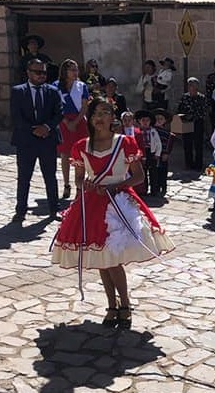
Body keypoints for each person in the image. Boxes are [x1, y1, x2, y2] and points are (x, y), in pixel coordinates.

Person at [50, 99, 174, 329]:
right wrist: (83, 183)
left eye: (105, 112)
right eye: (95, 113)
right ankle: (112, 305)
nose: (100, 118)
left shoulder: (124, 143)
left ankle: (124, 303)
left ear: (112, 117)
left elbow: (138, 176)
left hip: (118, 204)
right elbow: (78, 177)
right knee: (101, 260)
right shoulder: (82, 146)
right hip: (92, 205)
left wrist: (116, 186)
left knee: (113, 260)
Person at [10, 59, 63, 223]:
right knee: (24, 177)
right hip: (26, 140)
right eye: (38, 72)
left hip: (47, 139)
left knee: (50, 176)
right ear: (29, 72)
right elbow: (16, 117)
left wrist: (46, 127)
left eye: (44, 73)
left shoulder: (53, 91)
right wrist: (34, 130)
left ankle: (54, 209)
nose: (41, 76)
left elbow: (59, 113)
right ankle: (20, 210)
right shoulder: (18, 91)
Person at [55, 59, 91, 201]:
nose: (75, 72)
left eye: (76, 69)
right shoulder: (56, 86)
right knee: (65, 153)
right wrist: (66, 122)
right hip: (64, 121)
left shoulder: (81, 86)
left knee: (78, 155)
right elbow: (56, 106)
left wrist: (75, 122)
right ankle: (66, 184)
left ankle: (78, 186)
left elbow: (84, 106)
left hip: (79, 122)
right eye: (72, 70)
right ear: (65, 71)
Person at [176, 77, 209, 171]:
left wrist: (194, 116)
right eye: (190, 85)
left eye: (194, 85)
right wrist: (185, 117)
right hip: (187, 123)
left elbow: (204, 111)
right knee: (187, 144)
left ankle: (198, 164)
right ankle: (188, 164)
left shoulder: (202, 98)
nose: (192, 87)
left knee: (198, 144)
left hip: (198, 122)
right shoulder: (184, 97)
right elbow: (180, 110)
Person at [134, 110, 161, 197]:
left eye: (147, 121)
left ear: (150, 122)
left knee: (153, 172)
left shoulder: (153, 131)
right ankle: (143, 190)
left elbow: (158, 143)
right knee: (143, 172)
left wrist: (157, 153)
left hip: (151, 152)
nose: (145, 123)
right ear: (139, 121)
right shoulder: (137, 132)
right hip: (142, 152)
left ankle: (154, 190)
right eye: (143, 120)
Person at [152, 108, 174, 197]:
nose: (158, 121)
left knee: (163, 170)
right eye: (156, 119)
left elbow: (169, 144)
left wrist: (166, 153)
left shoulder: (168, 133)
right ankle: (155, 187)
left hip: (163, 154)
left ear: (165, 121)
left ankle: (163, 186)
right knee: (154, 171)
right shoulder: (152, 131)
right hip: (154, 154)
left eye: (161, 119)